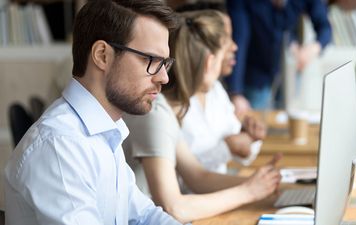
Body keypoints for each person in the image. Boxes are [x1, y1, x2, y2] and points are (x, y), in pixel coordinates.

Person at [4, 1, 181, 224]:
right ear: (102, 55)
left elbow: (144, 216)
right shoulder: (60, 146)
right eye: (151, 60)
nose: (164, 77)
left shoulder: (106, 132)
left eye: (164, 63)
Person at [123, 10, 281, 223]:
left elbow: (197, 177)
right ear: (209, 62)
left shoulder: (167, 110)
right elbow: (173, 207)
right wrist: (248, 191)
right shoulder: (155, 111)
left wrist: (259, 184)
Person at [175, 2, 267, 174]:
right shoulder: (169, 102)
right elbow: (182, 177)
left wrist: (248, 136)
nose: (234, 46)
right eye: (224, 38)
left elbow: (242, 153)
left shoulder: (216, 90)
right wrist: (228, 148)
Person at [225, 0, 332, 113]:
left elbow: (325, 28)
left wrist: (312, 49)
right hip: (255, 75)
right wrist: (235, 92)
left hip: (289, 71)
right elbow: (239, 40)